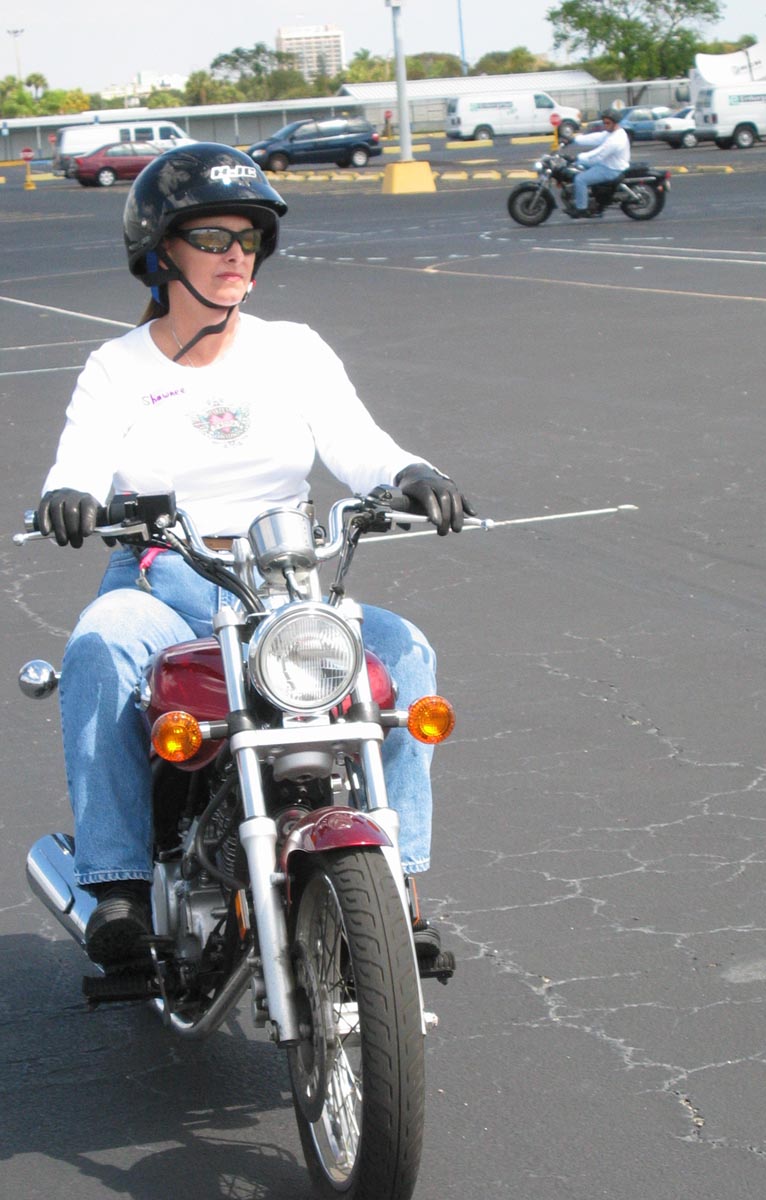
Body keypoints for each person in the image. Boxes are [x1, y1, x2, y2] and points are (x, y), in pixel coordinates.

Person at [37, 143, 473, 973]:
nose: (235, 253)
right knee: (99, 645)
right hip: (164, 580)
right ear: (161, 252)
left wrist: (413, 474)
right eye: (212, 237)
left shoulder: (292, 349)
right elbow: (82, 455)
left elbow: (356, 441)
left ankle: (400, 880)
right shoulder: (118, 367)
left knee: (405, 650)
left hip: (286, 585)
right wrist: (71, 493)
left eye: (248, 237)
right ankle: (117, 884)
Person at [569, 108, 631, 217]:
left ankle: (581, 209)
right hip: (607, 164)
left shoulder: (616, 139)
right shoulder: (611, 133)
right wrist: (573, 139)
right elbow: (595, 138)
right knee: (576, 166)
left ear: (615, 123)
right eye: (604, 123)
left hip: (611, 168)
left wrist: (577, 157)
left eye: (608, 123)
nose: (605, 125)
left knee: (580, 179)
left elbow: (598, 155)